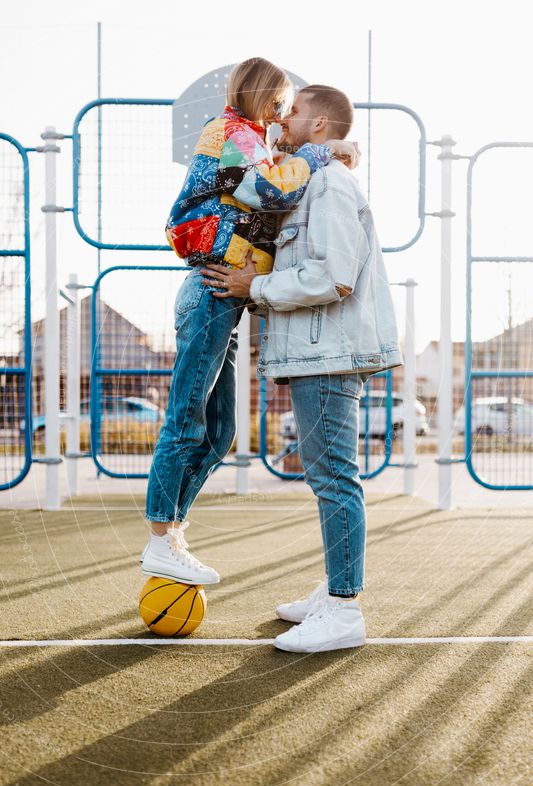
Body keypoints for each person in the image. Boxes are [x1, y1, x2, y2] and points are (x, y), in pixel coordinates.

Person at [200, 84, 404, 652]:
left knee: (336, 478)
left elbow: (332, 276)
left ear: (319, 127)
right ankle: (334, 592)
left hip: (330, 356)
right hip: (317, 354)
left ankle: (343, 611)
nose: (282, 118)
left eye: (293, 112)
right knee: (326, 477)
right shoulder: (313, 181)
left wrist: (253, 285)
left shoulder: (332, 186)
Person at [141, 59, 357, 586]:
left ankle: (173, 532)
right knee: (188, 417)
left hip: (226, 300)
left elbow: (274, 171)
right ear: (263, 97)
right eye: (282, 104)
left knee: (220, 432)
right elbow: (270, 192)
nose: (284, 115)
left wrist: (320, 150)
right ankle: (158, 539)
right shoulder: (228, 132)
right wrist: (316, 151)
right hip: (211, 290)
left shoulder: (251, 139)